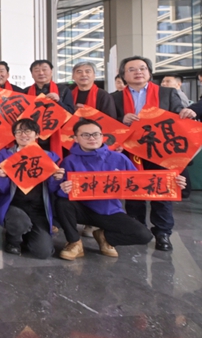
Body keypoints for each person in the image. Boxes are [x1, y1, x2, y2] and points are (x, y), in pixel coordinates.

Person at [111, 55, 197, 251]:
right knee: (134, 190)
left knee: (162, 191)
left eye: (142, 68)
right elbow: (109, 123)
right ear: (124, 75)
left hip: (161, 151)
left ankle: (162, 232)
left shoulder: (167, 93)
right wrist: (121, 119)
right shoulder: (114, 97)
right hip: (131, 152)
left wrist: (187, 113)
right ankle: (137, 228)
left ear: (149, 72)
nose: (138, 72)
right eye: (132, 69)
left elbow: (178, 115)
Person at [52, 118, 170, 260]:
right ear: (76, 139)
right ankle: (74, 242)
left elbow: (140, 184)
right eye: (85, 135)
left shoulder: (119, 158)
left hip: (110, 210)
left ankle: (105, 237)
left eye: (96, 134)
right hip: (82, 209)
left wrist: (172, 183)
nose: (92, 138)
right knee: (62, 203)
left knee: (143, 235)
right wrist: (63, 189)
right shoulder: (69, 161)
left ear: (102, 136)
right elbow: (58, 190)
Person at [0, 119, 59, 259]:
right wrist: (1, 177)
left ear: (37, 135)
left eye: (28, 131)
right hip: (13, 205)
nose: (23, 135)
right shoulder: (4, 157)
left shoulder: (48, 157)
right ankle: (13, 240)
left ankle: (27, 233)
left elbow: (53, 189)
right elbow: (2, 190)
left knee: (43, 252)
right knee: (19, 221)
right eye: (19, 131)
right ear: (14, 135)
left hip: (38, 208)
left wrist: (56, 178)